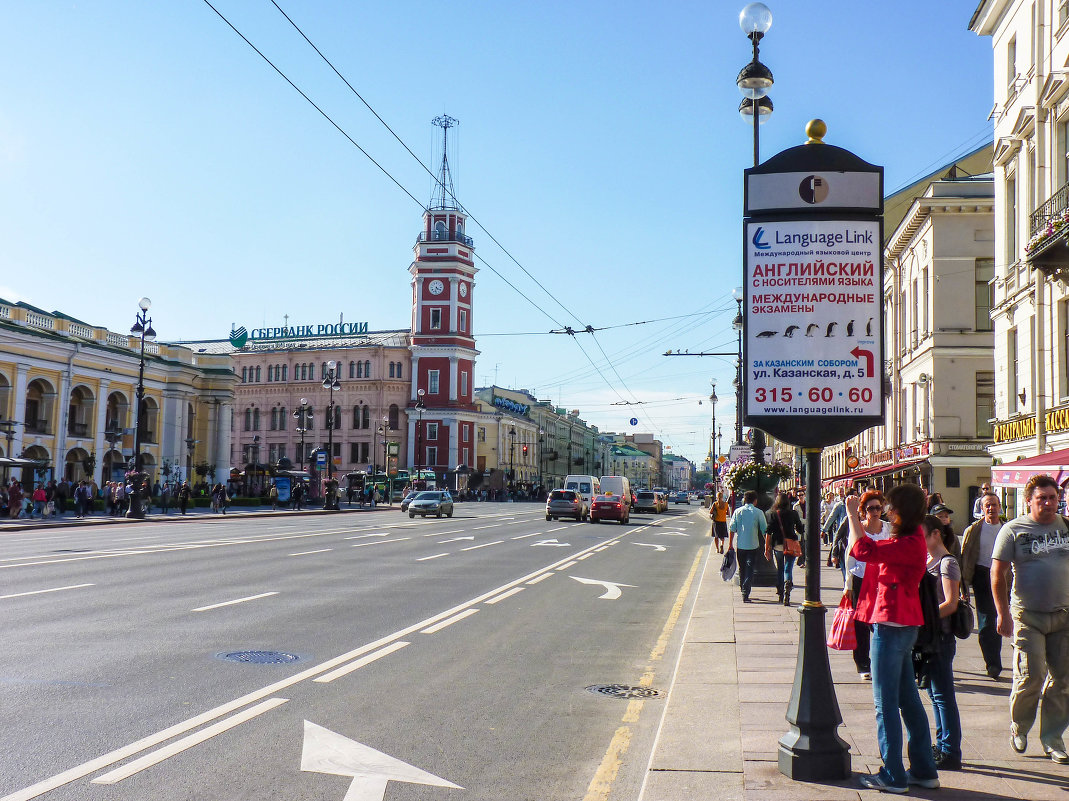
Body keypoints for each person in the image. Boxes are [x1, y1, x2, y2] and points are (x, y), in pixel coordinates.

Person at [848, 482, 939, 793]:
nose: (886, 510)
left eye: (889, 506)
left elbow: (863, 550)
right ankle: (924, 769)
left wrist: (852, 516)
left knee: (884, 702)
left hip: (891, 623)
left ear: (900, 511)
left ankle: (893, 774)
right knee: (907, 699)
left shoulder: (909, 542)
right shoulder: (911, 539)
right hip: (903, 622)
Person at [992, 474, 1069, 764]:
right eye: (1042, 498)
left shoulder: (1067, 527)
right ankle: (1020, 727)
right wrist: (1002, 613)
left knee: (1063, 680)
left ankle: (1052, 738)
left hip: (1064, 615)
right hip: (1028, 615)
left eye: (1053, 498)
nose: (1049, 503)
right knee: (1031, 676)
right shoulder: (1013, 530)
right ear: (1029, 501)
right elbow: (997, 575)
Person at [922, 513, 963, 771]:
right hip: (930, 636)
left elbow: (951, 603)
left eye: (921, 535)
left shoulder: (947, 563)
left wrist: (922, 617)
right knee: (935, 693)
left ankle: (950, 750)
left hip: (941, 636)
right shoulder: (929, 560)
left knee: (943, 694)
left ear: (936, 534)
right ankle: (943, 744)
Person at [844, 490, 892, 681]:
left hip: (883, 580)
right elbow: (850, 555)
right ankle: (863, 663)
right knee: (861, 623)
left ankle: (884, 660)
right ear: (863, 511)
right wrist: (848, 585)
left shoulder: (888, 528)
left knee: (882, 621)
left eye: (878, 507)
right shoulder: (858, 528)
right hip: (861, 578)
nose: (875, 511)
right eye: (871, 508)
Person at [960, 492, 1005, 679]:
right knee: (987, 621)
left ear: (999, 506)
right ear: (982, 508)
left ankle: (995, 656)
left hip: (1004, 577)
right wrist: (963, 587)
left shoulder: (1007, 529)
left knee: (1001, 618)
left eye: (994, 505)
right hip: (981, 575)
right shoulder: (974, 530)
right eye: (987, 505)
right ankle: (993, 663)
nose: (991, 508)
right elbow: (965, 558)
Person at [727, 490, 766, 603]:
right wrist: (768, 546)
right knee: (750, 569)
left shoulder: (738, 511)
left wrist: (730, 544)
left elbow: (732, 529)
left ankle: (743, 588)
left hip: (741, 545)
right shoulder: (758, 512)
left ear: (744, 499)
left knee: (742, 568)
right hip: (753, 546)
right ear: (755, 500)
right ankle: (745, 591)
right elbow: (764, 530)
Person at [764, 492, 803, 606]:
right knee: (788, 568)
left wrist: (767, 548)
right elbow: (800, 529)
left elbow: (768, 532)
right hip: (790, 544)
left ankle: (781, 591)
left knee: (780, 568)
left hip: (778, 545)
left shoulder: (773, 514)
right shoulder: (793, 513)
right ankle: (787, 590)